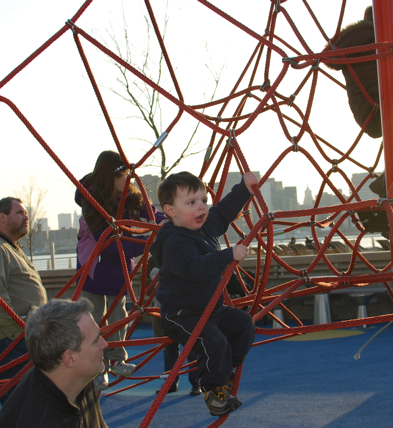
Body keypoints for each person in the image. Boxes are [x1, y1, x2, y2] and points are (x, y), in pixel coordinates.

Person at [151, 171, 257, 417]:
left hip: (211, 309)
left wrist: (244, 189)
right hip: (182, 316)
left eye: (203, 200)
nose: (201, 207)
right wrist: (227, 255)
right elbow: (192, 267)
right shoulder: (174, 241)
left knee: (244, 324)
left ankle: (223, 372)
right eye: (191, 203)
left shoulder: (204, 226)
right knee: (214, 341)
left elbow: (223, 212)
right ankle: (213, 392)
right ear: (170, 211)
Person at [74, 150, 166, 391]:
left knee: (119, 315)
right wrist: (147, 242)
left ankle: (116, 360)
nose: (129, 180)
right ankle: (97, 370)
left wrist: (162, 220)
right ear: (111, 174)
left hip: (120, 265)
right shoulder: (91, 200)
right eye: (124, 174)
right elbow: (108, 244)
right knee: (94, 318)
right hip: (95, 264)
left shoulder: (127, 194)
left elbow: (148, 209)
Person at [323, 6, 393, 198]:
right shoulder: (384, 44)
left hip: (368, 113)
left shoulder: (354, 45)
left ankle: (392, 189)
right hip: (381, 109)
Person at [0, 197, 48, 405]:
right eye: (20, 213)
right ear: (2, 217)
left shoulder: (9, 246)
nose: (26, 217)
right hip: (9, 338)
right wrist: (19, 333)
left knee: (30, 400)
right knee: (22, 403)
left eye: (25, 213)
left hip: (20, 335)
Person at [0, 298, 109, 428]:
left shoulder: (80, 379)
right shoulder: (39, 420)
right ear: (70, 358)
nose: (104, 344)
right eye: (95, 341)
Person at [148, 257, 201, 396]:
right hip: (163, 310)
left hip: (183, 309)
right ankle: (170, 382)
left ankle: (196, 381)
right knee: (169, 348)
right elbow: (146, 287)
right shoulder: (154, 258)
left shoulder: (183, 253)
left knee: (191, 347)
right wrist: (155, 283)